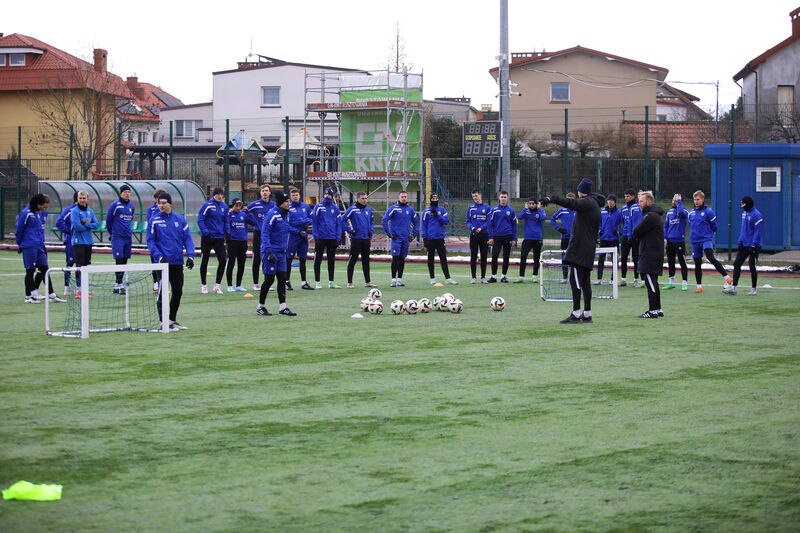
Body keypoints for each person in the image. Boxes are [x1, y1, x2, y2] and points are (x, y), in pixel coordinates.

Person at [541, 178, 604, 324]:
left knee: (574, 280)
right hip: (588, 248)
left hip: (579, 248)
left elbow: (570, 203)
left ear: (580, 191)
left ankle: (576, 314)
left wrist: (551, 198)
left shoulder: (586, 202)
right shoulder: (594, 204)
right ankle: (587, 314)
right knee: (585, 282)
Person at [146, 192, 195, 331]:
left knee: (178, 291)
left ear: (170, 204)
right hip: (162, 264)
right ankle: (163, 322)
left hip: (177, 262)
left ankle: (172, 320)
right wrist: (159, 257)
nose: (161, 205)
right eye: (159, 203)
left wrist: (190, 256)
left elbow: (188, 239)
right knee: (162, 293)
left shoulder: (180, 219)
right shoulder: (154, 220)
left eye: (163, 203)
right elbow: (150, 242)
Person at [15, 194, 64, 304]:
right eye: (44, 207)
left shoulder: (37, 213)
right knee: (30, 270)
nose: (44, 209)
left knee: (45, 269)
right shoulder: (26, 214)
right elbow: (19, 230)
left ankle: (52, 295)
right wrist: (20, 244)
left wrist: (41, 243)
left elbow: (39, 230)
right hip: (29, 246)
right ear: (38, 204)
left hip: (39, 245)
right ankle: (31, 295)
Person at [257, 191, 296, 316]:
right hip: (271, 252)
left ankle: (282, 307)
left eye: (289, 201)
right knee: (269, 279)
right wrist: (268, 251)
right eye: (286, 201)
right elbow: (265, 232)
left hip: (281, 252)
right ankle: (260, 306)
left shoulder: (287, 215)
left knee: (282, 279)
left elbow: (288, 228)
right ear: (280, 203)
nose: (288, 203)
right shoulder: (272, 214)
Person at [688, 190, 732, 293]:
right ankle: (699, 286)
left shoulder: (709, 212)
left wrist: (708, 235)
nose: (696, 201)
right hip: (695, 241)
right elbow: (691, 226)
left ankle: (727, 277)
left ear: (702, 199)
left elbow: (714, 227)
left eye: (698, 199)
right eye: (694, 199)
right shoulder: (691, 213)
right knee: (697, 263)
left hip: (706, 239)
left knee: (710, 257)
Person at [633, 190, 665, 318]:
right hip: (653, 253)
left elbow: (636, 231)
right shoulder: (652, 215)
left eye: (641, 201)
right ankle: (657, 309)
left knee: (650, 281)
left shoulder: (650, 216)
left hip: (650, 254)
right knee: (652, 282)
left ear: (649, 201)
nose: (639, 204)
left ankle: (652, 310)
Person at [724, 195, 763, 296]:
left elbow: (757, 232)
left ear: (748, 204)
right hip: (744, 244)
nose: (742, 206)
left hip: (753, 246)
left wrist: (753, 245)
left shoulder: (757, 215)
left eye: (743, 204)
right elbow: (743, 230)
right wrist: (740, 242)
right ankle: (734, 288)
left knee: (752, 266)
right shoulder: (744, 214)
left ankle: (754, 289)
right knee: (737, 264)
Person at [381, 190, 419, 287]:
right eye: (402, 196)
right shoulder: (393, 208)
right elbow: (384, 220)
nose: (404, 198)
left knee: (402, 259)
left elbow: (416, 222)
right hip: (396, 239)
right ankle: (393, 280)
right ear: (399, 198)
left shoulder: (410, 210)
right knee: (395, 258)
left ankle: (400, 280)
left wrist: (414, 234)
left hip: (405, 239)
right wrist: (389, 234)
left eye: (405, 197)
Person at [197, 187, 229, 294]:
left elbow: (226, 221)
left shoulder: (224, 206)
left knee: (223, 260)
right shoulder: (207, 205)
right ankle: (204, 285)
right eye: (218, 194)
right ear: (214, 195)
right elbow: (200, 219)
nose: (220, 196)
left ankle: (217, 285)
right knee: (205, 260)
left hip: (219, 238)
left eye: (222, 194)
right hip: (208, 237)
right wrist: (205, 232)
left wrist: (227, 232)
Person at [421, 193, 457, 286]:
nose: (435, 199)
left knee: (443, 258)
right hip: (430, 239)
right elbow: (424, 225)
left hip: (440, 238)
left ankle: (448, 278)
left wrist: (438, 215)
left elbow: (446, 221)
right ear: (430, 199)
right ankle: (432, 278)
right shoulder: (426, 211)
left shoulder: (442, 210)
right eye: (433, 198)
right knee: (430, 259)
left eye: (436, 198)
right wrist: (424, 238)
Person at [311, 187, 343, 289]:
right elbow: (314, 223)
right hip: (321, 237)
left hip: (332, 238)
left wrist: (338, 238)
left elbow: (338, 224)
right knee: (318, 260)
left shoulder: (335, 208)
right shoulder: (318, 207)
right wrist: (316, 237)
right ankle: (317, 282)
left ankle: (331, 282)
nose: (327, 196)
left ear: (332, 196)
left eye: (329, 194)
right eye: (325, 194)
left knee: (331, 260)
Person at [343, 191, 377, 288]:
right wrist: (350, 230)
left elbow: (371, 222)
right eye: (362, 198)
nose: (364, 200)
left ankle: (368, 282)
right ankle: (349, 282)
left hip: (366, 239)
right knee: (353, 260)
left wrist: (371, 230)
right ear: (358, 199)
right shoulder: (352, 209)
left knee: (366, 260)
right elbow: (343, 220)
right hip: (356, 239)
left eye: (365, 198)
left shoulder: (368, 210)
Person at [69, 190, 99, 298]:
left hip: (88, 241)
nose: (82, 200)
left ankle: (84, 288)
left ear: (87, 199)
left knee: (85, 266)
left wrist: (85, 223)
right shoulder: (74, 211)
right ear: (77, 199)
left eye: (84, 198)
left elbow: (96, 225)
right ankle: (79, 290)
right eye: (80, 198)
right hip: (78, 242)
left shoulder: (90, 211)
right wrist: (88, 225)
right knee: (79, 266)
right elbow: (77, 227)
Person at [106, 184, 135, 294]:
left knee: (124, 260)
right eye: (125, 192)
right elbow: (109, 220)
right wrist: (112, 233)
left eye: (128, 192)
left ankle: (119, 283)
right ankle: (118, 284)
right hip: (117, 237)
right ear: (121, 193)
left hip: (127, 237)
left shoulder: (131, 207)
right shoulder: (115, 205)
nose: (127, 194)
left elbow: (130, 220)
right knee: (119, 259)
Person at [246, 184, 276, 290]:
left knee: (268, 258)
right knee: (257, 259)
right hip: (258, 234)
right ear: (260, 193)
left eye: (266, 190)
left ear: (270, 192)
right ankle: (256, 284)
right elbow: (244, 211)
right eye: (263, 190)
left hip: (269, 235)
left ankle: (266, 283)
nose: (265, 192)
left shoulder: (273, 206)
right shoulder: (255, 204)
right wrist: (253, 222)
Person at [285, 187, 314, 290]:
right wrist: (297, 231)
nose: (295, 197)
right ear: (290, 197)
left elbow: (312, 218)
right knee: (289, 259)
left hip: (304, 236)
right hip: (293, 236)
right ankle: (286, 281)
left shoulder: (306, 207)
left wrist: (307, 223)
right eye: (293, 195)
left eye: (296, 195)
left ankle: (303, 282)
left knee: (303, 259)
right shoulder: (288, 208)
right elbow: (286, 224)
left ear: (299, 196)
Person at [488, 190, 517, 283]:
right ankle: (493, 276)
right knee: (495, 255)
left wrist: (514, 239)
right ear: (499, 198)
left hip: (508, 236)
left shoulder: (511, 211)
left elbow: (514, 225)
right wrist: (491, 237)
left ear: (507, 198)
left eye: (505, 197)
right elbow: (490, 224)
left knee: (506, 256)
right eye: (502, 197)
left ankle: (503, 276)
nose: (503, 199)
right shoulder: (494, 210)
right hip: (497, 236)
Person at [663, 193, 690, 291]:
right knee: (670, 262)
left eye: (676, 200)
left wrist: (679, 202)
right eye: (673, 200)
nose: (673, 202)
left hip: (679, 241)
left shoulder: (685, 211)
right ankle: (671, 282)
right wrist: (665, 237)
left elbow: (681, 212)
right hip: (670, 241)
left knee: (682, 261)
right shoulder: (669, 212)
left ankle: (684, 282)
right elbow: (666, 225)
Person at [516, 197, 546, 283]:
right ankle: (521, 276)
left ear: (536, 204)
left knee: (536, 258)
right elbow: (520, 217)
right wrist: (525, 208)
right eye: (530, 204)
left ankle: (534, 276)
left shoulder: (541, 211)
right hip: (527, 239)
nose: (532, 205)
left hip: (537, 239)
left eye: (533, 204)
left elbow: (542, 218)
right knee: (523, 256)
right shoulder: (526, 211)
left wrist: (539, 209)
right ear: (528, 204)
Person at [595, 194, 623, 285]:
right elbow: (598, 222)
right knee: (601, 259)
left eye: (611, 200)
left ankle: (612, 279)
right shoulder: (602, 211)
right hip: (604, 239)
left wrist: (619, 232)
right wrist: (600, 231)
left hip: (614, 239)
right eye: (608, 200)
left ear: (615, 202)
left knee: (614, 260)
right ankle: (599, 279)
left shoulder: (619, 213)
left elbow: (625, 224)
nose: (609, 202)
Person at [466, 188, 491, 284]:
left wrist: (481, 228)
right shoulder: (470, 208)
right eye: (473, 197)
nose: (475, 198)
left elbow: (488, 221)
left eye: (476, 196)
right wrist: (472, 228)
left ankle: (483, 277)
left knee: (484, 255)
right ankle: (473, 277)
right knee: (473, 255)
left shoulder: (487, 208)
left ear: (480, 195)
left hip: (484, 234)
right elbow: (468, 221)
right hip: (473, 234)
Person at [55, 192, 78, 296]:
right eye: (82, 198)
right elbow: (59, 222)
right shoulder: (69, 210)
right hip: (71, 242)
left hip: (82, 242)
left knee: (81, 265)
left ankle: (80, 289)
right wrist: (69, 231)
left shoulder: (87, 211)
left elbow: (91, 222)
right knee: (70, 264)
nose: (85, 200)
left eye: (86, 197)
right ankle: (66, 288)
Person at [225, 198, 249, 292]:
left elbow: (253, 222)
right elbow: (226, 224)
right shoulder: (229, 214)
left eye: (240, 205)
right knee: (231, 263)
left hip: (243, 242)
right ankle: (229, 285)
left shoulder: (243, 214)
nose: (238, 208)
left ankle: (238, 285)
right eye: (236, 205)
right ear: (233, 206)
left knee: (241, 264)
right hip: (233, 242)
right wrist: (229, 234)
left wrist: (247, 212)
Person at [550, 193, 576, 283]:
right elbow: (552, 219)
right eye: (568, 199)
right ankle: (565, 278)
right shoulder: (562, 210)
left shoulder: (577, 211)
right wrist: (559, 229)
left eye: (571, 199)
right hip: (565, 238)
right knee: (564, 258)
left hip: (575, 238)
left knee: (575, 259)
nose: (569, 201)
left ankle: (574, 278)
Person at [620, 188, 642, 287]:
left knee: (636, 258)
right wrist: (620, 232)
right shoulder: (624, 208)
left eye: (628, 196)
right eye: (625, 196)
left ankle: (636, 279)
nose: (626, 198)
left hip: (635, 236)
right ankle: (623, 279)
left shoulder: (638, 207)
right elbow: (623, 222)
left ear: (633, 196)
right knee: (623, 257)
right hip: (625, 236)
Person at [147, 188, 167, 293]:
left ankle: (163, 283)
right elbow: (151, 223)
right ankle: (156, 282)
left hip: (164, 241)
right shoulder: (151, 210)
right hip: (154, 240)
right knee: (154, 261)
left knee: (164, 261)